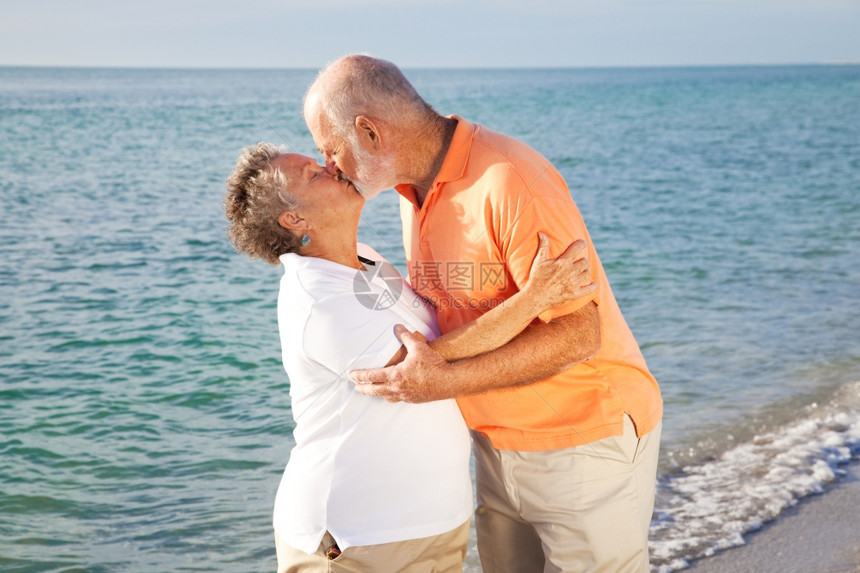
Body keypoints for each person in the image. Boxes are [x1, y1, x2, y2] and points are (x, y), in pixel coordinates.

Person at [303, 55, 664, 573]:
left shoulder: (510, 179)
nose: (331, 166)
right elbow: (457, 308)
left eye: (330, 150)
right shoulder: (410, 191)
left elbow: (580, 334)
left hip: (584, 443)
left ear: (369, 132)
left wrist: (439, 382)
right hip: (495, 451)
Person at [223, 143, 597, 573]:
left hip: (432, 526)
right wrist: (535, 298)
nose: (329, 166)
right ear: (294, 220)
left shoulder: (367, 260)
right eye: (312, 174)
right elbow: (421, 367)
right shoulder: (318, 299)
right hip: (356, 538)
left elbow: (440, 330)